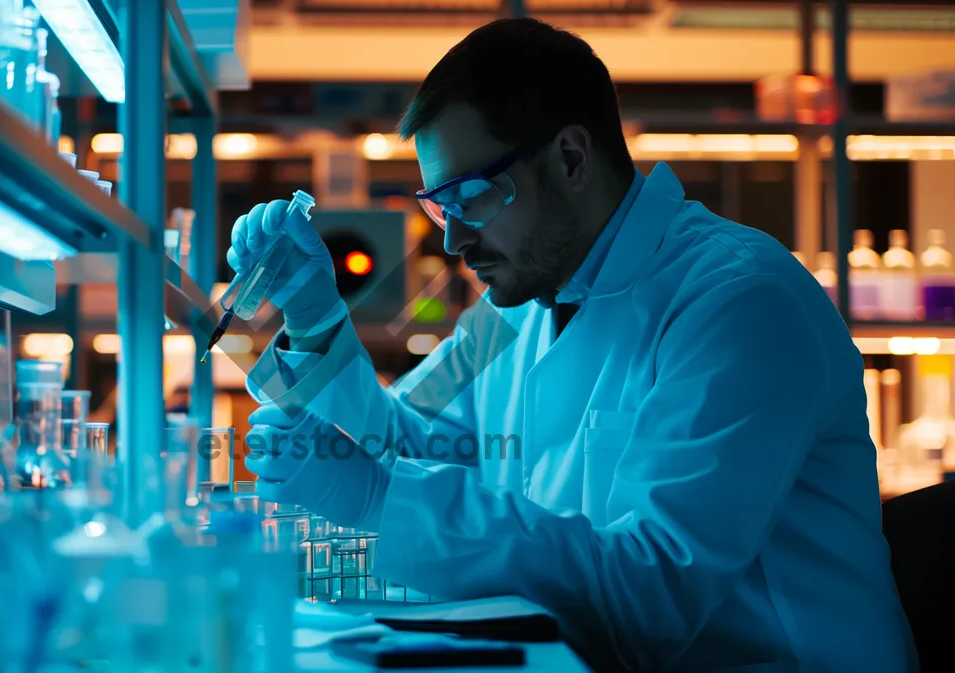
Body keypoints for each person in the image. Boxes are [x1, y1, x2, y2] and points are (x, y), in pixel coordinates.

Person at [231, 18, 918, 673]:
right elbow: (405, 438)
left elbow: (650, 596)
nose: (452, 238)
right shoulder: (513, 311)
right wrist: (316, 316)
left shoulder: (736, 303)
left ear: (570, 158)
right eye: (439, 205)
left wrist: (382, 498)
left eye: (470, 196)